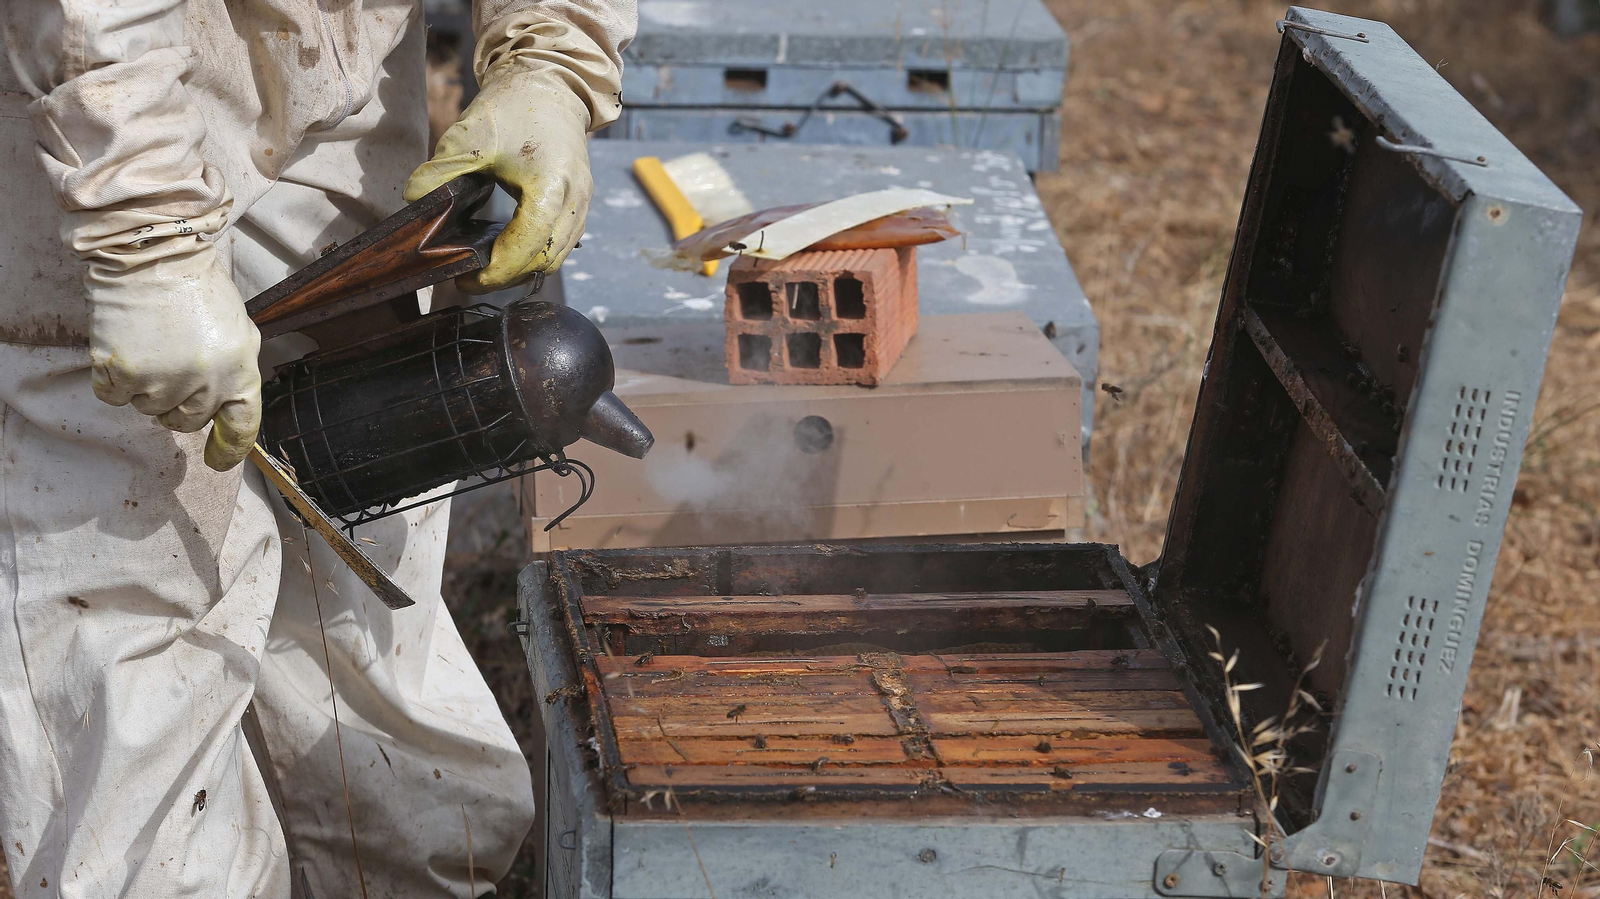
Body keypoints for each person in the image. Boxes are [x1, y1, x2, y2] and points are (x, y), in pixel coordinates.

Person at [0, 0, 635, 895]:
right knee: (130, 617)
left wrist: (551, 60)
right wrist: (147, 241)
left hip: (341, 76)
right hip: (98, 101)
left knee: (360, 589)